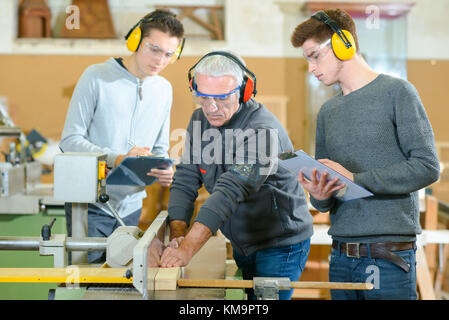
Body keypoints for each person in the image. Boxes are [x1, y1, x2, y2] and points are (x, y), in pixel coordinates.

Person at [291, 9, 440, 299]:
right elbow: (324, 203)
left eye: (314, 56)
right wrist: (320, 193)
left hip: (388, 257)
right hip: (341, 258)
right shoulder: (327, 112)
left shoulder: (398, 93)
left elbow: (427, 166)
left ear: (342, 44)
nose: (311, 68)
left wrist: (356, 179)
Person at [160, 51, 313, 300]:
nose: (211, 107)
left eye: (221, 98)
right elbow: (186, 176)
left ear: (244, 91)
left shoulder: (262, 131)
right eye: (203, 96)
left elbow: (232, 189)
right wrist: (178, 233)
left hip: (279, 244)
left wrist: (188, 249)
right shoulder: (199, 119)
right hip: (243, 242)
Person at [59, 9, 184, 263]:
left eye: (169, 54)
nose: (161, 60)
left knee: (120, 279)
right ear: (135, 40)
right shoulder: (96, 77)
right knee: (89, 283)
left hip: (131, 205)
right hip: (89, 204)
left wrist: (163, 168)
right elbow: (70, 140)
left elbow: (159, 147)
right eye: (154, 49)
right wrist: (117, 158)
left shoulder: (163, 89)